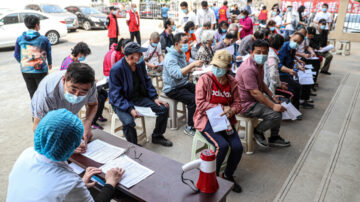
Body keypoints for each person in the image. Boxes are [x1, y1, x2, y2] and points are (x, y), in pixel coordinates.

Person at [7, 109, 125, 202]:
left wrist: (80, 186)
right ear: (70, 146)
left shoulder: (27, 153)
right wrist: (110, 183)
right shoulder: (69, 181)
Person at [194, 50, 243, 193]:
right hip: (206, 119)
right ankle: (209, 177)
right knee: (221, 145)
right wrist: (222, 107)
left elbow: (239, 103)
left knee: (237, 147)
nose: (217, 69)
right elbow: (200, 104)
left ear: (228, 68)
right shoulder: (205, 79)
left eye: (221, 66)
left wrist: (232, 110)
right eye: (215, 65)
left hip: (225, 120)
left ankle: (227, 175)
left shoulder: (233, 83)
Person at [109, 42, 172, 146]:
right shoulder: (117, 69)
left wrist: (154, 97)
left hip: (137, 97)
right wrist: (130, 109)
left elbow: (147, 81)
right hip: (121, 102)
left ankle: (157, 136)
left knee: (163, 108)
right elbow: (116, 95)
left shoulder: (140, 63)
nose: (142, 56)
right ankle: (133, 146)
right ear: (131, 56)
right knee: (129, 123)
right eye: (139, 54)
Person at [31, 63, 98, 153]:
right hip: (47, 118)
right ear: (63, 80)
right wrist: (65, 149)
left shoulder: (90, 86)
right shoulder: (47, 94)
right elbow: (38, 129)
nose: (76, 95)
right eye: (73, 89)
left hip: (71, 114)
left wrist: (87, 125)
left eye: (83, 92)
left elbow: (93, 104)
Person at [236, 39, 290, 147]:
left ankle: (274, 137)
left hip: (254, 99)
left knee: (279, 105)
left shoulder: (259, 64)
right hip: (246, 104)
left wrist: (272, 96)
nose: (262, 55)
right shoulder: (248, 69)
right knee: (275, 114)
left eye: (264, 52)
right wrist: (273, 106)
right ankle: (258, 131)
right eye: (258, 52)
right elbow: (255, 92)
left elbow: (261, 83)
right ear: (252, 52)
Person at [162, 33, 203, 136]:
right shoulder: (170, 58)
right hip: (172, 88)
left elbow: (184, 69)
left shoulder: (181, 54)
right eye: (185, 42)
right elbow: (177, 74)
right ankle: (190, 127)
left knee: (201, 90)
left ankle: (199, 119)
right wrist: (193, 65)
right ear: (176, 43)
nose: (187, 44)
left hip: (182, 84)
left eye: (188, 42)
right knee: (193, 100)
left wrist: (194, 68)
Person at [14, 15, 52, 99]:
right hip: (41, 69)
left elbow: (16, 55)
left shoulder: (20, 39)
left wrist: (24, 62)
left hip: (25, 70)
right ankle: (43, 110)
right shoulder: (43, 39)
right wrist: (50, 63)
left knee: (32, 92)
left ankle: (35, 110)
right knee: (43, 92)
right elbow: (48, 52)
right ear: (36, 25)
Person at [278, 32, 306, 111]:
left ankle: (294, 109)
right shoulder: (284, 47)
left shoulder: (293, 49)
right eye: (295, 40)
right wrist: (289, 70)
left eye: (299, 43)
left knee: (298, 85)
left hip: (287, 74)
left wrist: (298, 66)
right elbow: (278, 64)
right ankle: (295, 110)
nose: (296, 43)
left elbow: (291, 60)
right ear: (291, 38)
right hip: (280, 74)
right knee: (296, 87)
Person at [264, 34, 293, 100]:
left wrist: (279, 83)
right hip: (268, 88)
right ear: (280, 46)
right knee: (291, 93)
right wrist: (280, 85)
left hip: (268, 84)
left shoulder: (269, 52)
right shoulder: (272, 57)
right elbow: (273, 75)